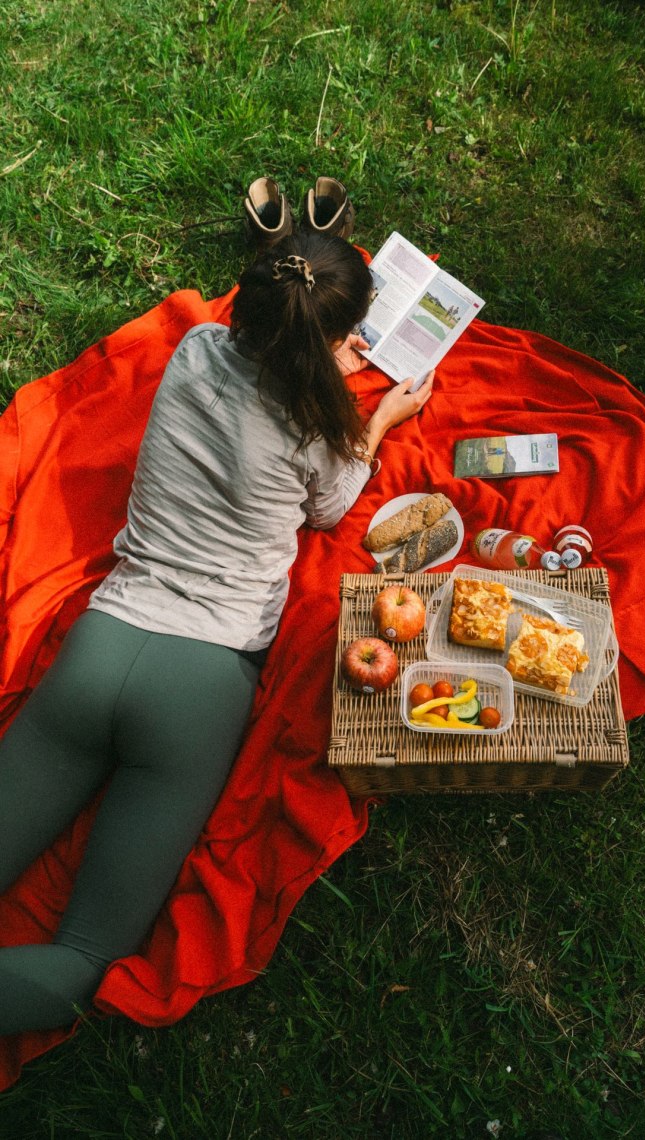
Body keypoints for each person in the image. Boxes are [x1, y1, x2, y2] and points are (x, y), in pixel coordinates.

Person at [0, 230, 434, 1035]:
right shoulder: (316, 426)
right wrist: (375, 421)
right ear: (332, 344)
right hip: (200, 683)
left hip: (104, 641)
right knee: (85, 958)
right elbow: (332, 508)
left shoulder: (196, 348)